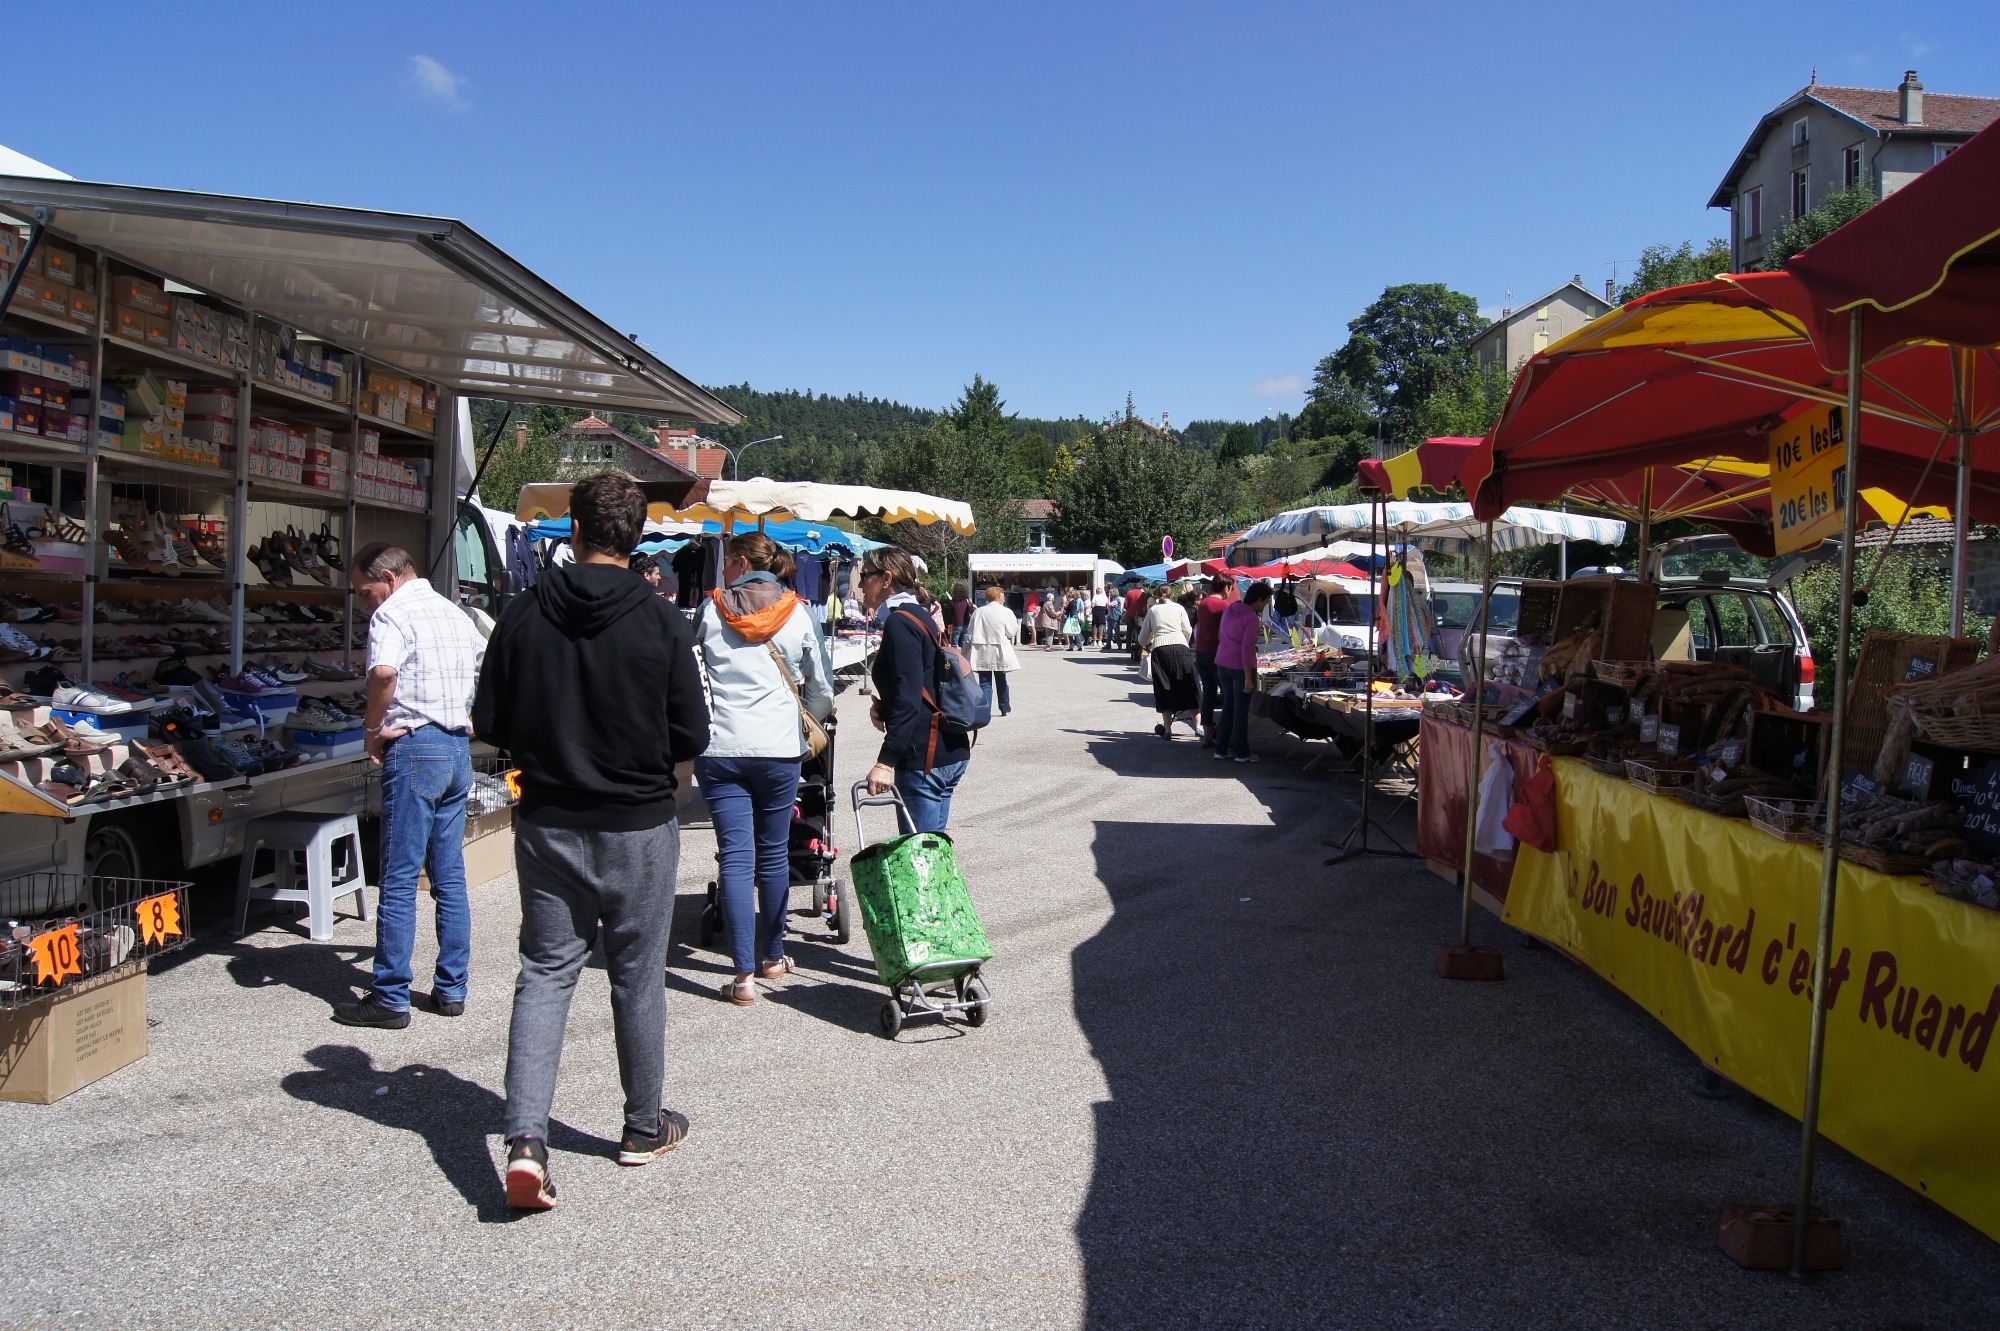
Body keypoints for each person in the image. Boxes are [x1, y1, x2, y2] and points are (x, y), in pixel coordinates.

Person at [472, 471, 711, 1211]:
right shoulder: (662, 621)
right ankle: (643, 1126)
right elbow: (692, 734)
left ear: (573, 530)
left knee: (545, 972)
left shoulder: (521, 613)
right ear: (638, 537)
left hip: (547, 819)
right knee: (637, 975)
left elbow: (488, 722)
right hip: (637, 822)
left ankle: (524, 1141)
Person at [334, 544, 486, 1030]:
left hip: (416, 745)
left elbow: (383, 672)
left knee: (399, 877)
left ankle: (391, 996)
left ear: (389, 577)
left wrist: (371, 727)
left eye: (365, 591)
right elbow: (484, 667)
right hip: (456, 746)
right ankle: (451, 988)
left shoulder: (392, 615)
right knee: (449, 877)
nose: (364, 603)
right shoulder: (455, 613)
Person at [694, 532, 835, 1007]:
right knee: (773, 853)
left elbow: (691, 673)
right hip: (778, 749)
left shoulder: (710, 610)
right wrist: (801, 727)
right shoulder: (799, 612)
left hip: (719, 749)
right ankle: (773, 956)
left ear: (736, 563)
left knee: (735, 857)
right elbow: (822, 689)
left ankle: (742, 977)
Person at [860, 548, 972, 832]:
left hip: (925, 756)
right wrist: (886, 706)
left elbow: (910, 696)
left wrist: (886, 761)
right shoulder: (917, 615)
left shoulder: (901, 622)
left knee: (919, 862)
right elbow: (922, 680)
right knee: (931, 859)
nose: (860, 584)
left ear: (886, 578)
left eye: (864, 576)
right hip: (943, 749)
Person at [1215, 580, 1274, 764]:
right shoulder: (1251, 618)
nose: (1265, 605)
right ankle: (1242, 752)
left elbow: (1220, 635)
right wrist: (1249, 678)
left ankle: (1221, 749)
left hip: (1222, 662)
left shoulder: (1230, 609)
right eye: (1265, 602)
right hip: (1239, 668)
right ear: (1259, 599)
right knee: (1240, 711)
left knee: (1228, 708)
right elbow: (1247, 650)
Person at [1139, 584, 1200, 739]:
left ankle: (1167, 729)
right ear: (1173, 595)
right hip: (1180, 648)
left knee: (1164, 687)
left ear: (1158, 595)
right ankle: (1198, 726)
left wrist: (1150, 646)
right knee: (1188, 684)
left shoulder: (1153, 610)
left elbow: (1142, 637)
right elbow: (1188, 629)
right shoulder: (1179, 608)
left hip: (1160, 650)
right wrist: (1183, 642)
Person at [967, 585, 1021, 716]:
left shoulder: (978, 611)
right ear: (998, 598)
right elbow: (1012, 631)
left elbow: (970, 630)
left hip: (981, 649)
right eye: (1003, 597)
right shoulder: (1005, 611)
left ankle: (986, 710)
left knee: (984, 682)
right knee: (1001, 679)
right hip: (998, 649)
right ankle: (1004, 706)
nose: (1004, 599)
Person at [1192, 576, 1229, 747]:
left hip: (1201, 651)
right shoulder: (1224, 606)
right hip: (1217, 652)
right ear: (1226, 587)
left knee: (1208, 693)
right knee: (1228, 693)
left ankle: (1207, 733)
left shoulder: (1203, 603)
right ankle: (1224, 734)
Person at [1122, 581, 1148, 659]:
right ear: (1141, 587)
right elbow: (1144, 606)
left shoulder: (1129, 593)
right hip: (1139, 615)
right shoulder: (1143, 594)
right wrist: (1143, 613)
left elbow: (1125, 605)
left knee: (1129, 632)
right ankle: (1138, 647)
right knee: (1139, 632)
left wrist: (1129, 609)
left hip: (1130, 614)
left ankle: (1128, 647)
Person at [947, 582, 973, 649]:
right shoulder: (967, 601)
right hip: (966, 623)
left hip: (957, 624)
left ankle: (955, 657)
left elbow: (951, 613)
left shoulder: (952, 602)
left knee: (954, 645)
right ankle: (964, 657)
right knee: (965, 645)